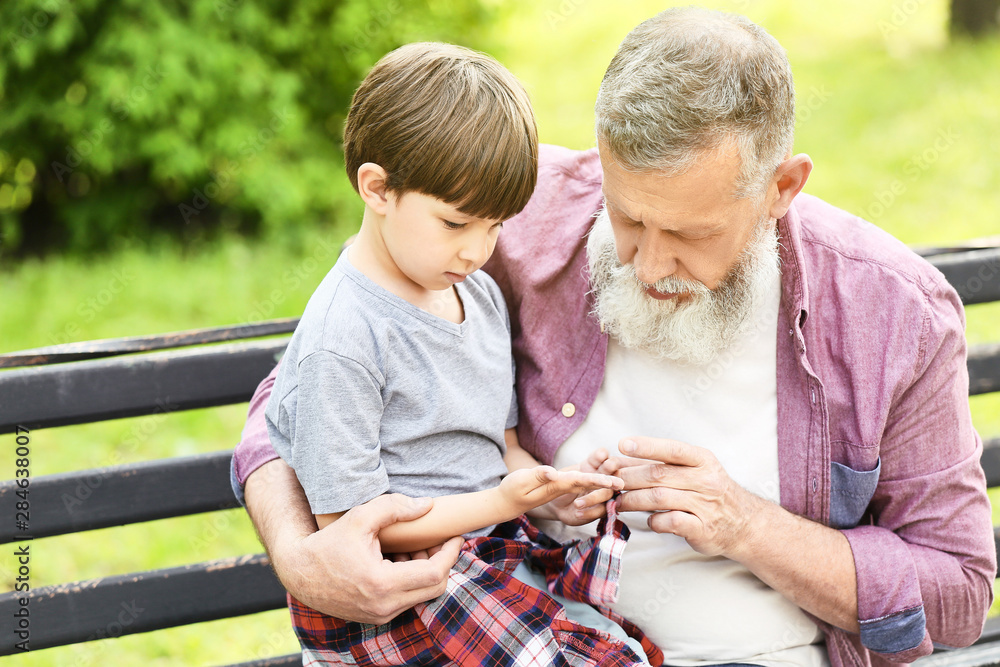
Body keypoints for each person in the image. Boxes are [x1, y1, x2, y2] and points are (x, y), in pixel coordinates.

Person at [231, 8, 996, 667]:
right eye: (628, 216)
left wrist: (746, 526)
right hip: (528, 625)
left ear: (781, 190)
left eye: (691, 233)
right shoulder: (507, 219)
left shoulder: (891, 313)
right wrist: (304, 556)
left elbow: (959, 590)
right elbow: (290, 396)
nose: (651, 263)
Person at [261, 41, 660, 666]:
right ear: (377, 189)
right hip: (396, 588)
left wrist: (544, 490)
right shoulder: (345, 338)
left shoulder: (475, 295)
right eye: (456, 224)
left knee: (619, 650)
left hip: (484, 554)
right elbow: (353, 531)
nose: (478, 250)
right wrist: (501, 504)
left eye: (496, 226)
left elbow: (496, 446)